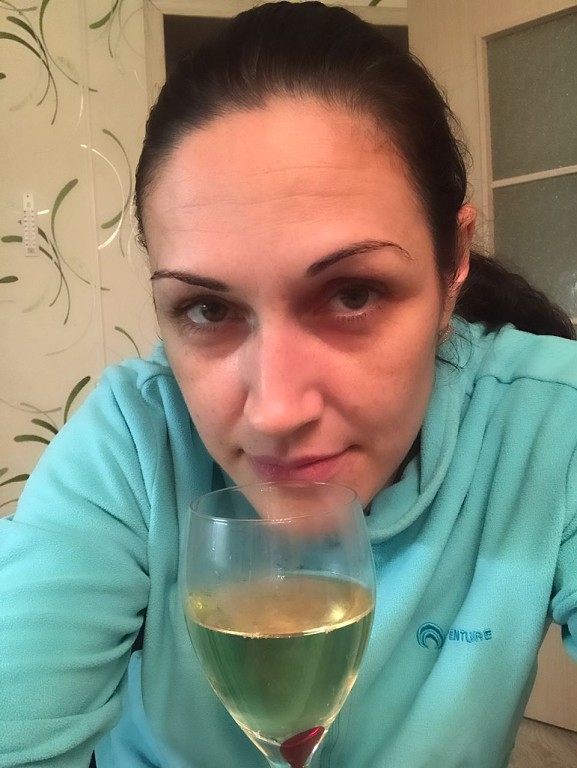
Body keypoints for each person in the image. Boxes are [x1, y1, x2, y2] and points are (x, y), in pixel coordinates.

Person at [1, 2, 576, 767]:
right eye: (208, 309)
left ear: (452, 265)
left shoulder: (551, 422)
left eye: (352, 295)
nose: (274, 411)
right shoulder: (132, 442)